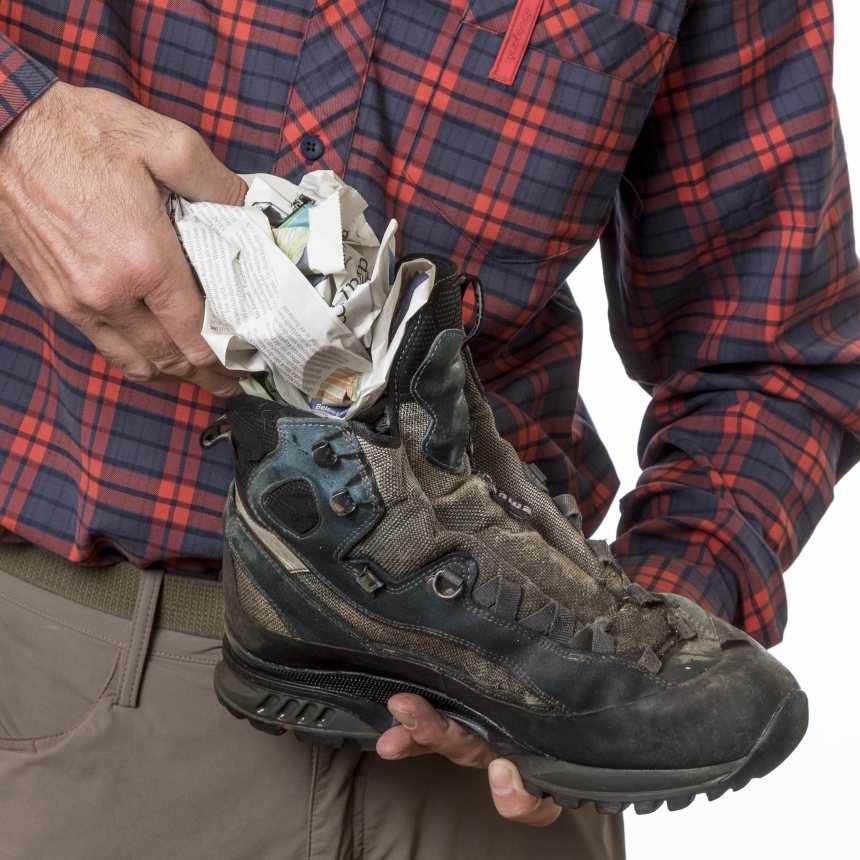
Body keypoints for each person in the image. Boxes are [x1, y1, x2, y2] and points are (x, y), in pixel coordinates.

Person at [0, 1, 856, 858]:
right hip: (73, 694)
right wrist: (17, 133)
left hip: (501, 731)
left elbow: (772, 351)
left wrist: (630, 655)